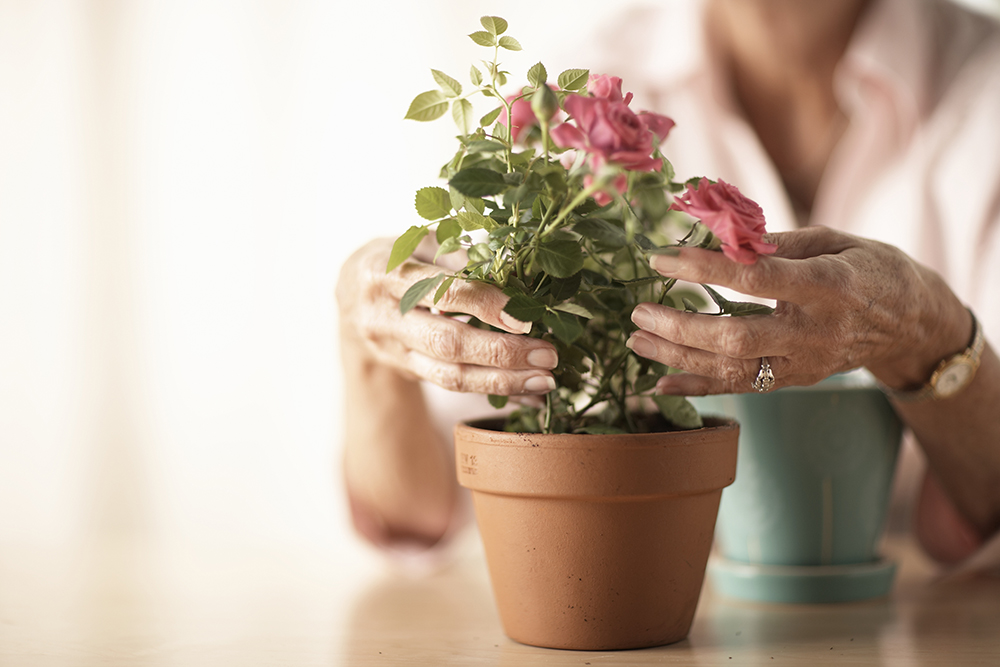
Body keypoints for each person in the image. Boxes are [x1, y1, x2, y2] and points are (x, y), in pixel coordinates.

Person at [336, 0, 1000, 569]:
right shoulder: (589, 101)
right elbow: (420, 508)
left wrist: (928, 330)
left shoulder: (984, 89)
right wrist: (371, 346)